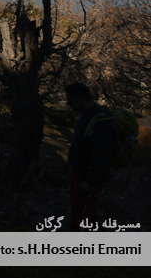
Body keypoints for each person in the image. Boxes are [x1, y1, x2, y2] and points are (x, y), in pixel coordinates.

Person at [65, 82, 114, 231]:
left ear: (81, 99)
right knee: (83, 213)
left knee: (84, 214)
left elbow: (103, 154)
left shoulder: (101, 121)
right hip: (80, 172)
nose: (69, 105)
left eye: (71, 101)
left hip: (88, 177)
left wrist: (91, 181)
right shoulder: (85, 117)